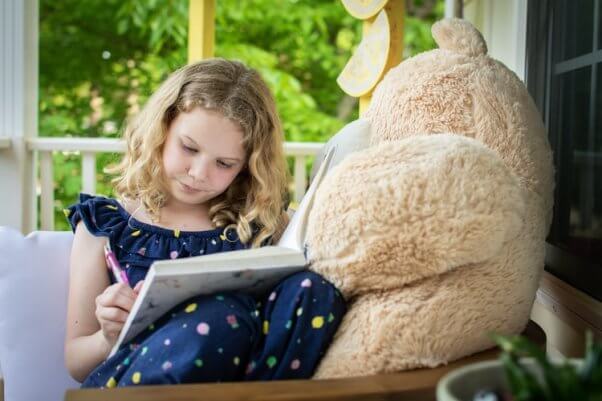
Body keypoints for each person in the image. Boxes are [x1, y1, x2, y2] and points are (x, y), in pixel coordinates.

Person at [64, 58, 346, 387]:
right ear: (162, 129)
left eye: (224, 163)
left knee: (315, 291)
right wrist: (107, 337)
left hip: (241, 384)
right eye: (189, 148)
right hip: (131, 385)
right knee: (219, 317)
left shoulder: (261, 223)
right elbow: (76, 362)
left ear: (246, 166)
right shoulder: (108, 225)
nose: (199, 174)